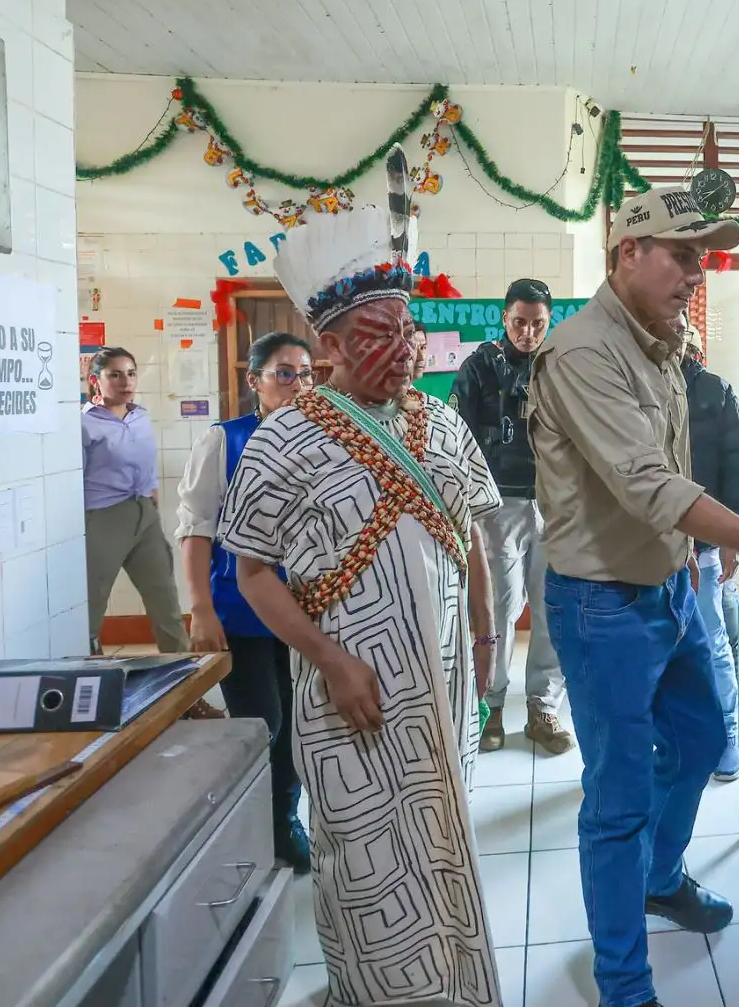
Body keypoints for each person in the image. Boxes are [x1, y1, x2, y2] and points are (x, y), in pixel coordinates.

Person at [528, 184, 739, 1007]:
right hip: (602, 608)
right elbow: (648, 485)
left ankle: (662, 879)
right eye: (682, 255)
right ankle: (624, 984)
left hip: (670, 589)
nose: (696, 274)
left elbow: (689, 465)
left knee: (703, 742)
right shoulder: (583, 351)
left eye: (702, 258)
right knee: (619, 794)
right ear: (628, 251)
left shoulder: (659, 339)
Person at [217, 201, 504, 1007]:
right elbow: (253, 574)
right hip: (353, 691)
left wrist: (486, 652)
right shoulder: (283, 438)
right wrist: (332, 660)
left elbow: (474, 544)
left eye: (410, 330)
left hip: (444, 686)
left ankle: (454, 988)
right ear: (329, 346)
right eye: (381, 333)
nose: (406, 349)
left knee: (445, 838)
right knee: (368, 859)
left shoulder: (442, 423)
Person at [177, 331, 318, 875]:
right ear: (254, 380)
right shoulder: (225, 440)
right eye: (284, 373)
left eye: (306, 373)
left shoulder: (319, 440)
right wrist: (200, 609)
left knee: (301, 729)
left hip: (304, 613)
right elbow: (195, 530)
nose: (298, 384)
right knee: (264, 725)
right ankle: (246, 828)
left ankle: (283, 821)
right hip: (239, 612)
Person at [450, 277, 572, 755]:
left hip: (556, 504)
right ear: (505, 318)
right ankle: (493, 702)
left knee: (551, 606)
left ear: (549, 322)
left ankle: (543, 706)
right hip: (497, 505)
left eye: (537, 323)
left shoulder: (560, 365)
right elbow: (460, 439)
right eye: (519, 322)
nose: (527, 332)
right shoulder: (479, 367)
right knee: (499, 608)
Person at [679, 324, 739, 781]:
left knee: (713, 646)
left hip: (703, 545)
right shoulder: (637, 385)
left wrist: (735, 537)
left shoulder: (715, 392)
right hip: (651, 548)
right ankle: (673, 742)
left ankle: (728, 741)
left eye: (681, 333)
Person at [83, 347, 188, 656]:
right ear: (95, 380)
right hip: (104, 517)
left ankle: (183, 680)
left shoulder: (139, 415)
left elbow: (145, 462)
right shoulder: (86, 424)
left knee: (165, 598)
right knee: (92, 602)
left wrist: (151, 491)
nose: (125, 382)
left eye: (130, 373)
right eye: (114, 375)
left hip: (144, 514)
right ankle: (91, 679)